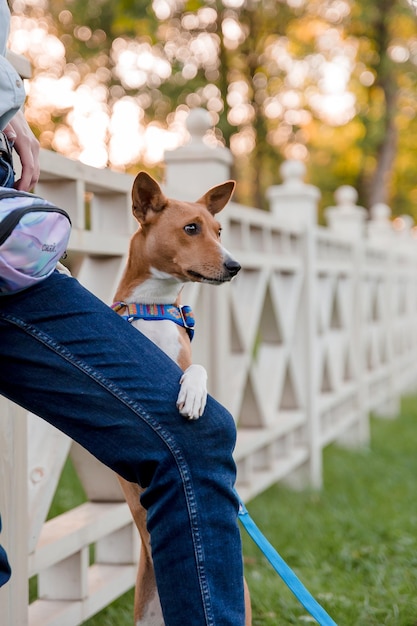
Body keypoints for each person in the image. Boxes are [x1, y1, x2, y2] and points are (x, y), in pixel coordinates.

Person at [0, 2, 246, 624]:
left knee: (197, 436)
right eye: (195, 231)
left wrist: (6, 108)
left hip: (12, 254)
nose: (217, 248)